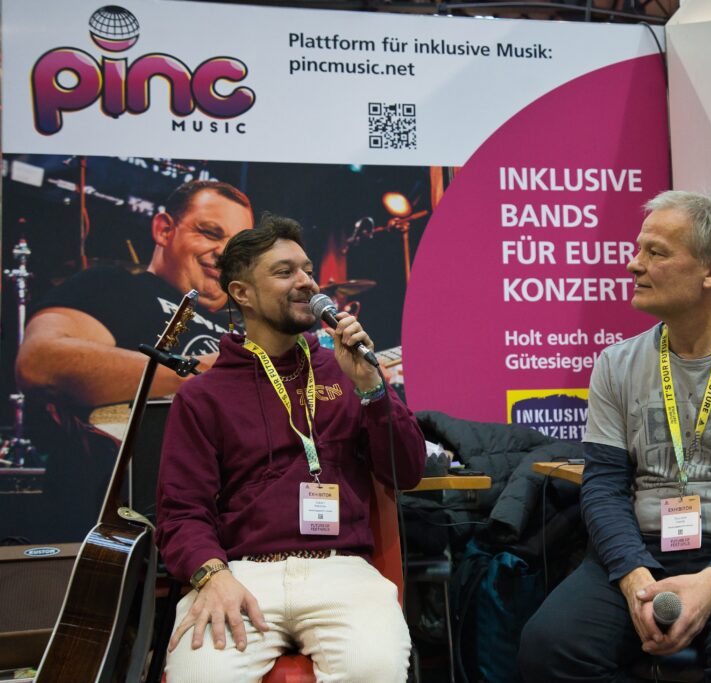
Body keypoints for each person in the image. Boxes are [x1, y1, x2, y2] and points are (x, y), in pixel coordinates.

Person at [520, 191, 711, 682]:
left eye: (656, 252)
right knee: (549, 648)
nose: (632, 265)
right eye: (638, 248)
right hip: (641, 549)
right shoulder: (616, 364)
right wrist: (632, 575)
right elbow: (602, 487)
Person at [156, 215, 425, 683]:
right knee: (199, 675)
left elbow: (408, 472)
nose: (306, 283)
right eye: (284, 273)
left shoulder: (348, 370)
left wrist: (372, 389)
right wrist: (212, 576)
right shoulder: (203, 395)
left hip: (343, 570)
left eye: (306, 270)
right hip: (242, 574)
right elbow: (181, 512)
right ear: (241, 293)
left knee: (375, 669)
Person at [15, 179, 254, 408]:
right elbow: (40, 364)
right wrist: (200, 371)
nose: (225, 253)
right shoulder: (113, 285)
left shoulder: (242, 329)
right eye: (211, 233)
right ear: (165, 230)